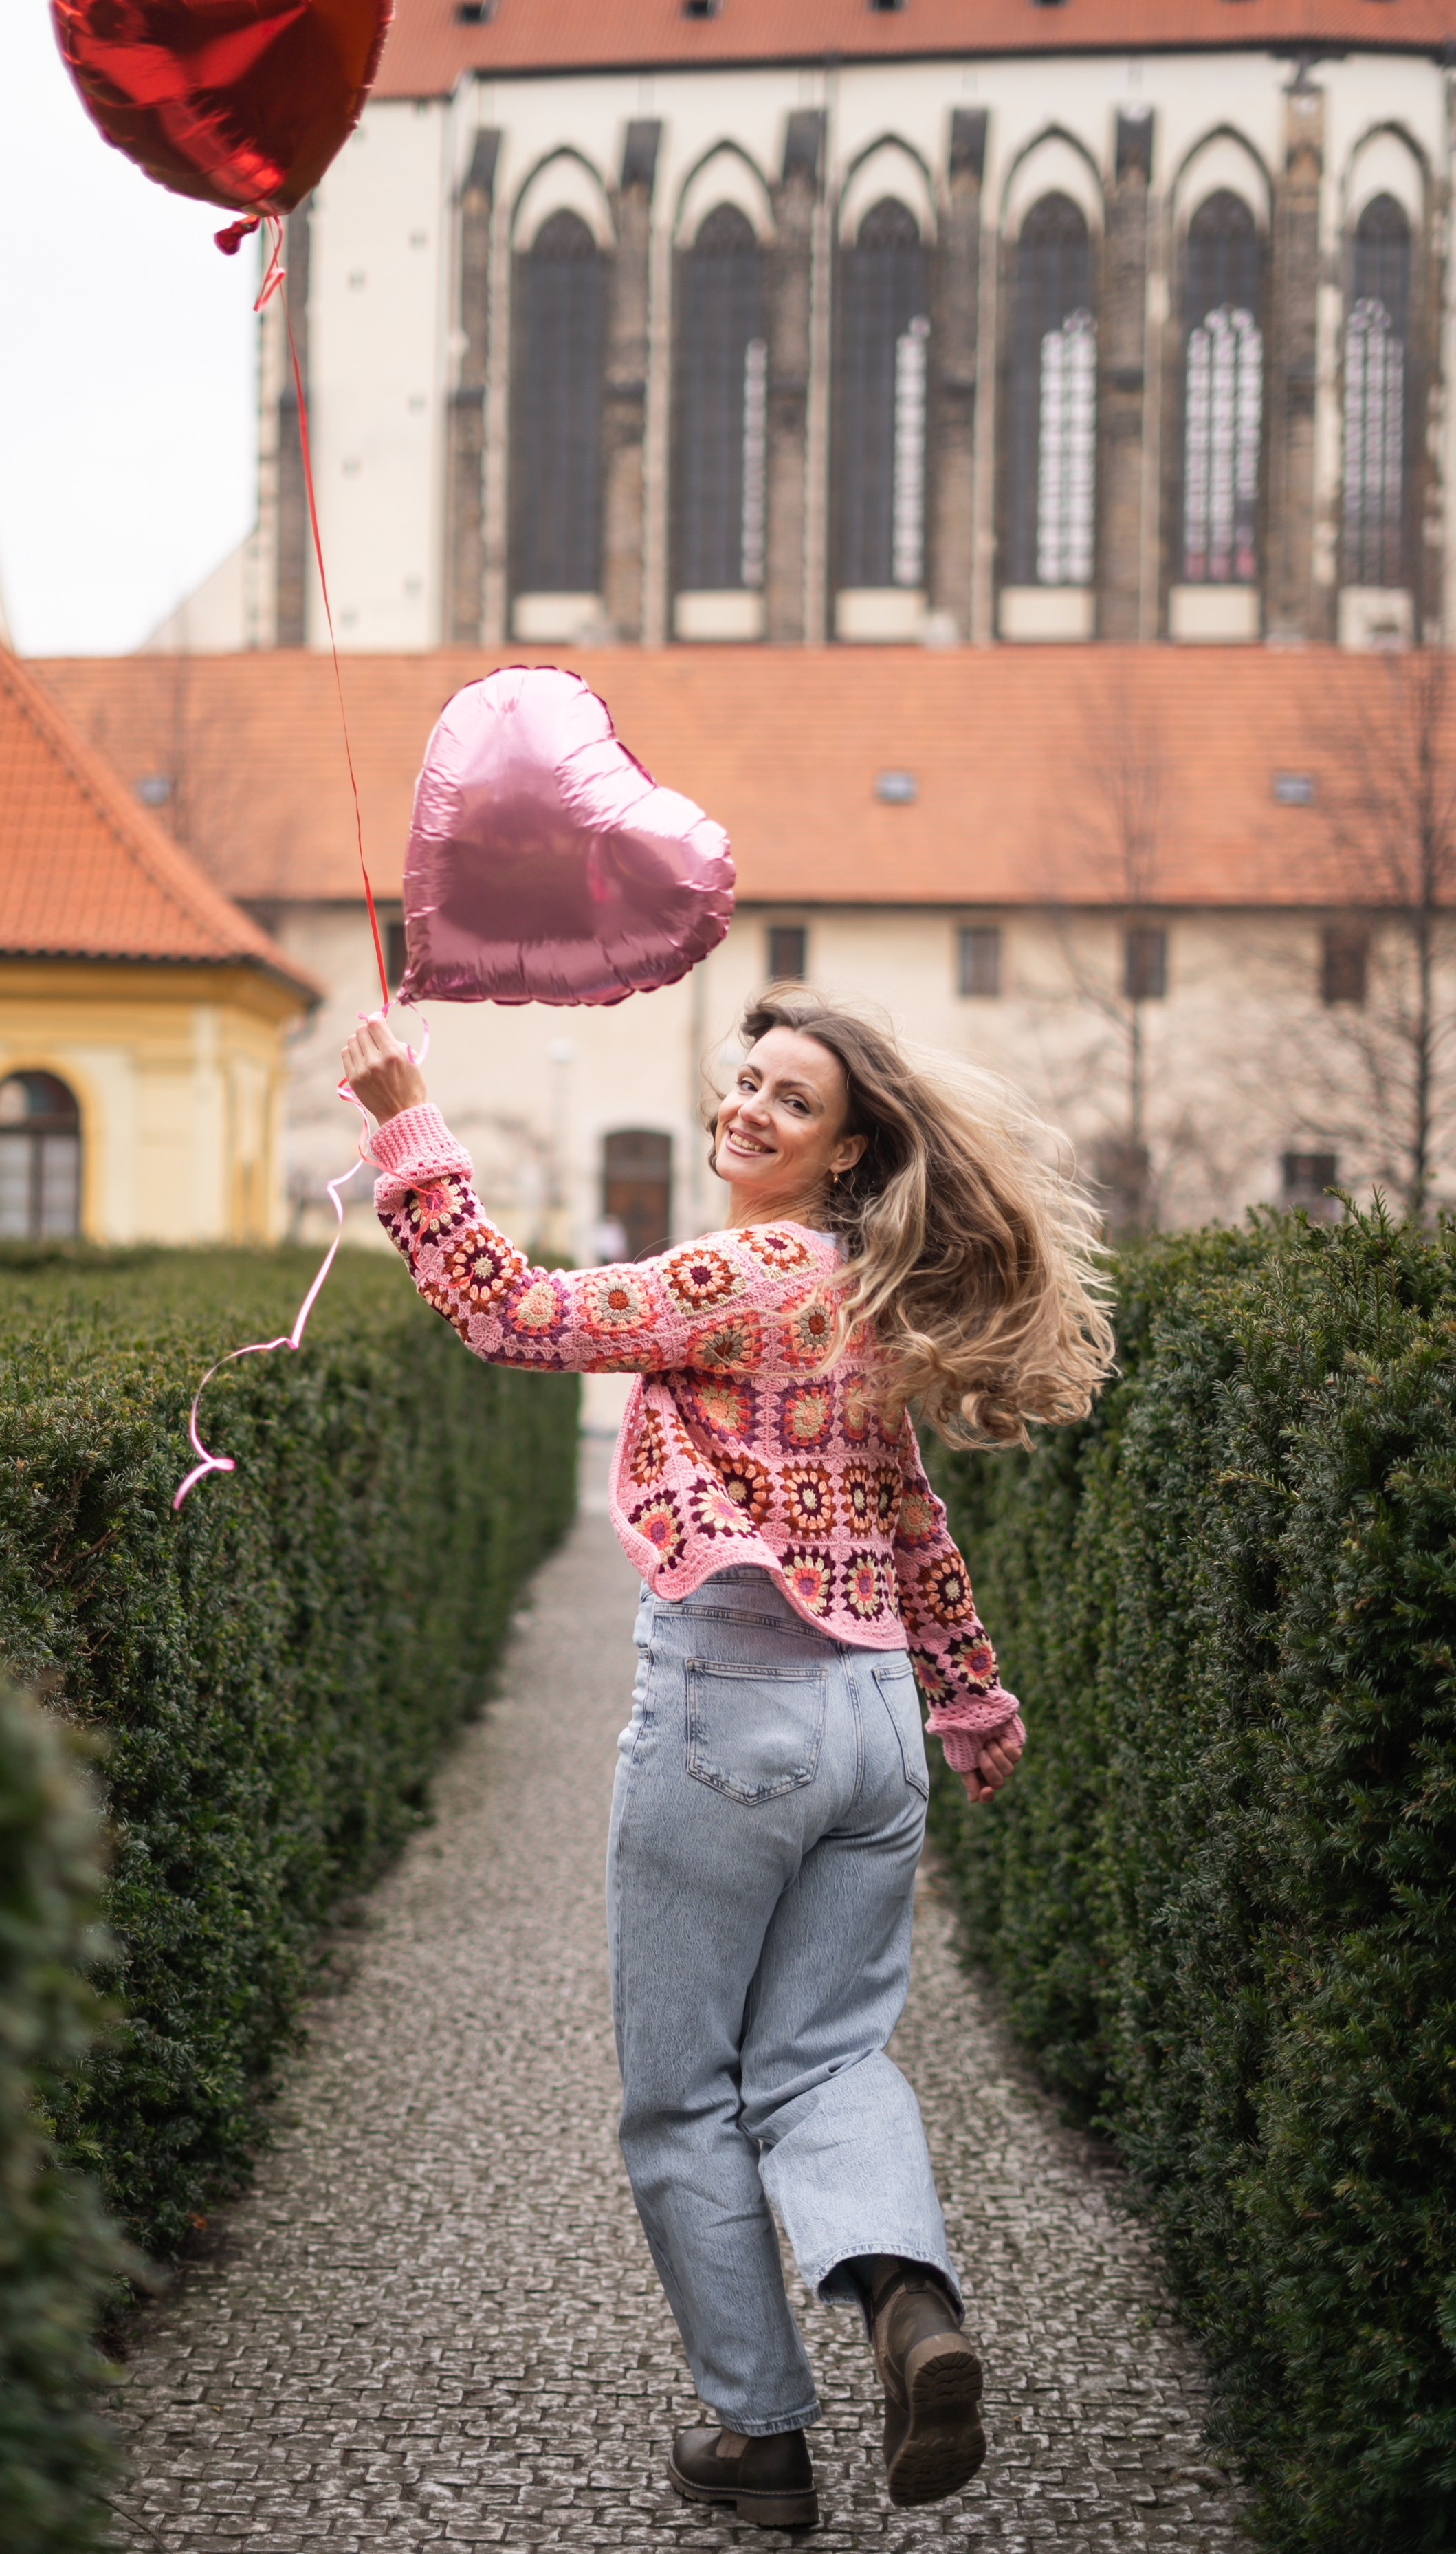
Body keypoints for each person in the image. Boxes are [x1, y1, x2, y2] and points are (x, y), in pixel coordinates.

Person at [341, 988, 1113, 2527]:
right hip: (872, 1728)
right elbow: (902, 1512)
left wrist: (403, 1125)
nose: (746, 1108)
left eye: (791, 1099)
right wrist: (962, 1694)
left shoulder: (746, 1269)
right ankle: (907, 2300)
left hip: (731, 1714)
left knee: (684, 2097)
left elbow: (514, 1313)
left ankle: (759, 2439)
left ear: (841, 1152)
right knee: (825, 2060)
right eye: (744, 1078)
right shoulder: (868, 1288)